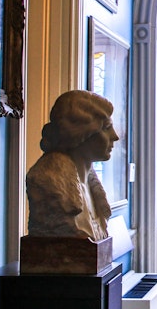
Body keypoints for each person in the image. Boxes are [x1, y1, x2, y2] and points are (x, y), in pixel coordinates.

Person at [26, 90, 118, 240]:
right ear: (81, 132)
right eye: (106, 128)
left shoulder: (90, 183)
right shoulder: (50, 181)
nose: (115, 136)